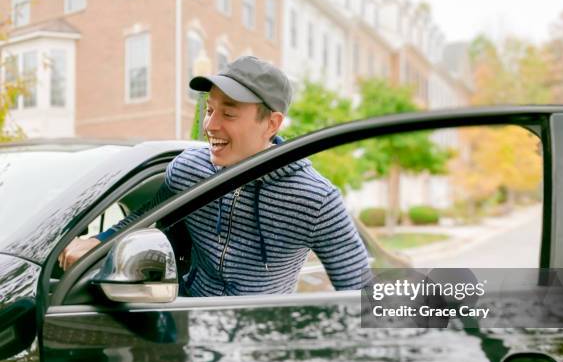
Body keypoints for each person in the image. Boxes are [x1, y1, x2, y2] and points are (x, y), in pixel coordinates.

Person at [59, 56, 370, 296]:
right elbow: (144, 216)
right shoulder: (188, 169)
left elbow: (362, 289)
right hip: (187, 329)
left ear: (272, 124)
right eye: (210, 110)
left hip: (259, 352)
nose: (210, 125)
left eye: (229, 114)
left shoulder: (315, 199)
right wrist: (98, 242)